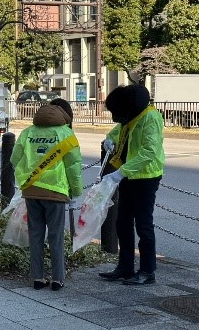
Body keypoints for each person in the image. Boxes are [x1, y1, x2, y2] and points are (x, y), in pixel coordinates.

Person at [11, 99, 83, 290]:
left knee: (35, 235)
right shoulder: (66, 134)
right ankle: (58, 278)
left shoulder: (27, 132)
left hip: (31, 190)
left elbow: (14, 159)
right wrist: (76, 192)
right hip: (56, 192)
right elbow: (73, 167)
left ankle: (37, 277)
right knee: (56, 236)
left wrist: (25, 179)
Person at [99, 84, 165, 286]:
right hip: (128, 175)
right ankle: (125, 267)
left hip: (145, 177)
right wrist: (108, 140)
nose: (116, 118)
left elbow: (149, 152)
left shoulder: (150, 118)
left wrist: (120, 173)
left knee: (143, 225)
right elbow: (117, 131)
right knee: (123, 222)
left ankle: (147, 271)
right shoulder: (130, 116)